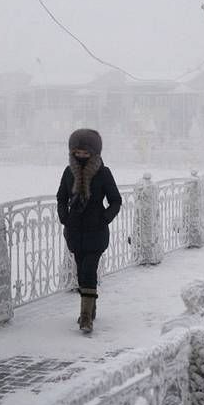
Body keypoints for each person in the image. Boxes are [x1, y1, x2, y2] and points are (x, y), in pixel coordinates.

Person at [56, 129, 122, 333]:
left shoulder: (104, 173)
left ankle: (85, 317)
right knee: (81, 273)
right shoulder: (69, 172)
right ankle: (91, 306)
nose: (81, 156)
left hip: (96, 231)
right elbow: (61, 197)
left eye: (86, 152)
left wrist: (103, 218)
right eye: (78, 152)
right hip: (75, 231)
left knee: (88, 269)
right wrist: (65, 218)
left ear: (94, 152)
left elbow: (115, 200)